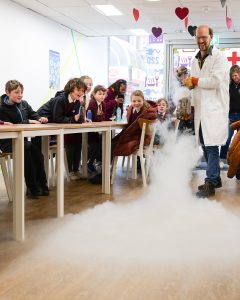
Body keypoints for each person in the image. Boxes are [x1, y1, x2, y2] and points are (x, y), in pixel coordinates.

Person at [184, 25, 230, 198]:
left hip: (215, 110)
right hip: (201, 110)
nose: (201, 40)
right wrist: (189, 97)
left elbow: (216, 81)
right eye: (198, 37)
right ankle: (215, 178)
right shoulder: (196, 59)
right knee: (205, 144)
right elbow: (196, 86)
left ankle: (211, 182)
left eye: (204, 37)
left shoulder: (220, 57)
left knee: (211, 147)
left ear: (211, 36)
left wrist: (195, 80)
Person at [0, 80, 49, 198]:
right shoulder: (1, 107)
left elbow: (34, 115)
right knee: (27, 148)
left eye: (21, 92)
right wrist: (27, 121)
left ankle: (42, 185)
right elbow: (11, 125)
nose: (20, 95)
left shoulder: (24, 104)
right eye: (16, 92)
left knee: (38, 154)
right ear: (7, 92)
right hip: (7, 143)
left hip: (22, 141)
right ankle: (32, 187)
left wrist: (41, 118)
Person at [37, 78, 87, 180]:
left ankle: (75, 170)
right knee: (39, 152)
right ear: (71, 89)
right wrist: (73, 118)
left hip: (51, 124)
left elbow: (79, 118)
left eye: (83, 91)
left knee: (77, 140)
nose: (81, 93)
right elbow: (57, 118)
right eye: (78, 90)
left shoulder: (77, 102)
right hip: (41, 122)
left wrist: (77, 117)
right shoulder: (60, 99)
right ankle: (41, 178)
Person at [112, 90, 157, 157]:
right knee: (111, 143)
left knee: (117, 145)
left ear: (143, 100)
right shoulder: (131, 109)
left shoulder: (148, 113)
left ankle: (105, 163)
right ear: (131, 101)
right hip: (131, 135)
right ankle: (104, 163)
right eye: (134, 101)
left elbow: (148, 131)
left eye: (139, 101)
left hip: (140, 138)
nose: (136, 103)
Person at [220, 64, 240, 171]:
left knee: (238, 142)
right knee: (226, 139)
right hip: (231, 116)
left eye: (236, 75)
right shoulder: (229, 87)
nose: (234, 78)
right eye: (232, 76)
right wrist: (226, 115)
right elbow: (225, 102)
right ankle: (222, 159)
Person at [87, 85, 107, 183]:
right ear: (94, 94)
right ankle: (89, 163)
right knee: (96, 143)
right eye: (99, 94)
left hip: (98, 129)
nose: (102, 96)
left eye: (103, 94)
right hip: (90, 130)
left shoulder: (103, 104)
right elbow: (94, 118)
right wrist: (100, 118)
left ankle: (97, 162)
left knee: (103, 142)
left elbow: (104, 117)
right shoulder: (92, 103)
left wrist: (100, 118)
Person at [174, 66, 194, 135]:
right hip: (182, 118)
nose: (182, 77)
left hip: (192, 119)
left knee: (190, 140)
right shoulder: (180, 87)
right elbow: (178, 104)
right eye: (179, 75)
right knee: (179, 140)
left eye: (184, 74)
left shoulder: (191, 85)